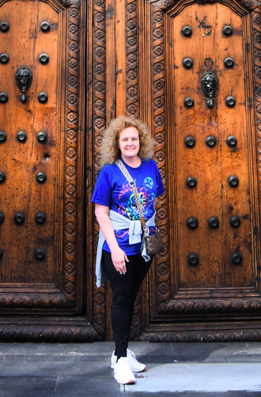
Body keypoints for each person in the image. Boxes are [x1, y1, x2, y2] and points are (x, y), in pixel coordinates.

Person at [92, 116, 164, 385]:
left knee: (131, 296)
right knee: (121, 298)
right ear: (117, 144)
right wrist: (114, 249)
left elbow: (153, 199)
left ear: (141, 141)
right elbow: (101, 213)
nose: (130, 143)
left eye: (134, 138)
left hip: (143, 247)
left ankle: (119, 354)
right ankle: (121, 361)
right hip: (119, 246)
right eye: (125, 140)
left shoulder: (150, 167)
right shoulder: (109, 172)